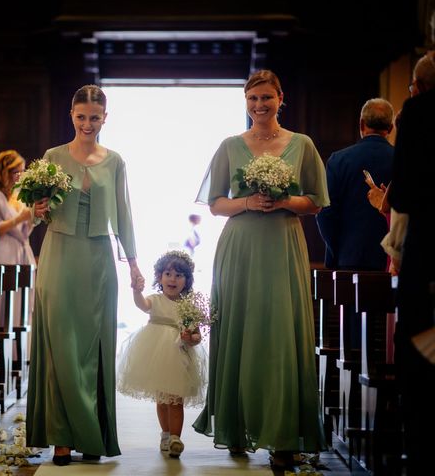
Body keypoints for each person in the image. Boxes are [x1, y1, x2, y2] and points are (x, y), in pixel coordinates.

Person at [192, 69, 329, 469]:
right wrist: (248, 203)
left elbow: (316, 201)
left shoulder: (301, 144)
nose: (259, 105)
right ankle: (236, 425)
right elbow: (216, 203)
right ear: (246, 102)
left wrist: (286, 201)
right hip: (241, 246)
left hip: (282, 244)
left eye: (267, 98)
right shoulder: (231, 146)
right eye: (253, 99)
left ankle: (283, 435)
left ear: (280, 98)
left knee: (280, 332)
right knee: (240, 327)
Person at [25, 84, 142, 465]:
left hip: (98, 260)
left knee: (92, 346)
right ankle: (60, 436)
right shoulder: (52, 156)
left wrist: (135, 263)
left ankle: (92, 434)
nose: (87, 124)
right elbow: (34, 212)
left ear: (105, 118)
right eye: (81, 117)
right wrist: (37, 208)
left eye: (94, 117)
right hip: (58, 255)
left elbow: (123, 214)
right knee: (62, 346)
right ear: (71, 116)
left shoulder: (116, 161)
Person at [386, 50, 435, 474]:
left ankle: (419, 455)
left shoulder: (418, 114)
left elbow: (401, 195)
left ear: (417, 87)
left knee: (420, 348)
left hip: (429, 249)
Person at [117, 250, 206, 458]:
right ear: (159, 277)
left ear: (187, 280)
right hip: (155, 353)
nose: (172, 279)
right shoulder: (155, 300)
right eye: (168, 274)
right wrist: (136, 291)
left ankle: (176, 437)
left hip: (179, 355)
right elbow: (141, 304)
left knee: (176, 399)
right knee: (162, 399)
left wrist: (189, 338)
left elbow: (197, 337)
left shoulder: (188, 307)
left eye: (179, 275)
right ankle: (165, 433)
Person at [315, 98, 394, 271]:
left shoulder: (339, 160)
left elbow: (325, 212)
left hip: (348, 257)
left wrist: (336, 250)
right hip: (392, 259)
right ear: (390, 128)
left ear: (361, 124)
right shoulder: (403, 161)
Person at [0, 149, 34, 265]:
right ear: (6, 172)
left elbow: (24, 233)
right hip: (3, 253)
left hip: (21, 252)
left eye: (23, 171)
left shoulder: (19, 197)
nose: (21, 176)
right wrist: (20, 218)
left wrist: (32, 219)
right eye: (17, 172)